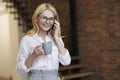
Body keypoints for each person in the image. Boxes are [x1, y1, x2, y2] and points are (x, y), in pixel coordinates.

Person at [16, 3, 71, 80]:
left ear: (55, 21)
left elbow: (66, 62)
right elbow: (20, 70)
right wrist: (34, 55)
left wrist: (56, 37)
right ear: (36, 19)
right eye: (44, 18)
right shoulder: (27, 40)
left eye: (51, 18)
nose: (48, 22)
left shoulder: (56, 39)